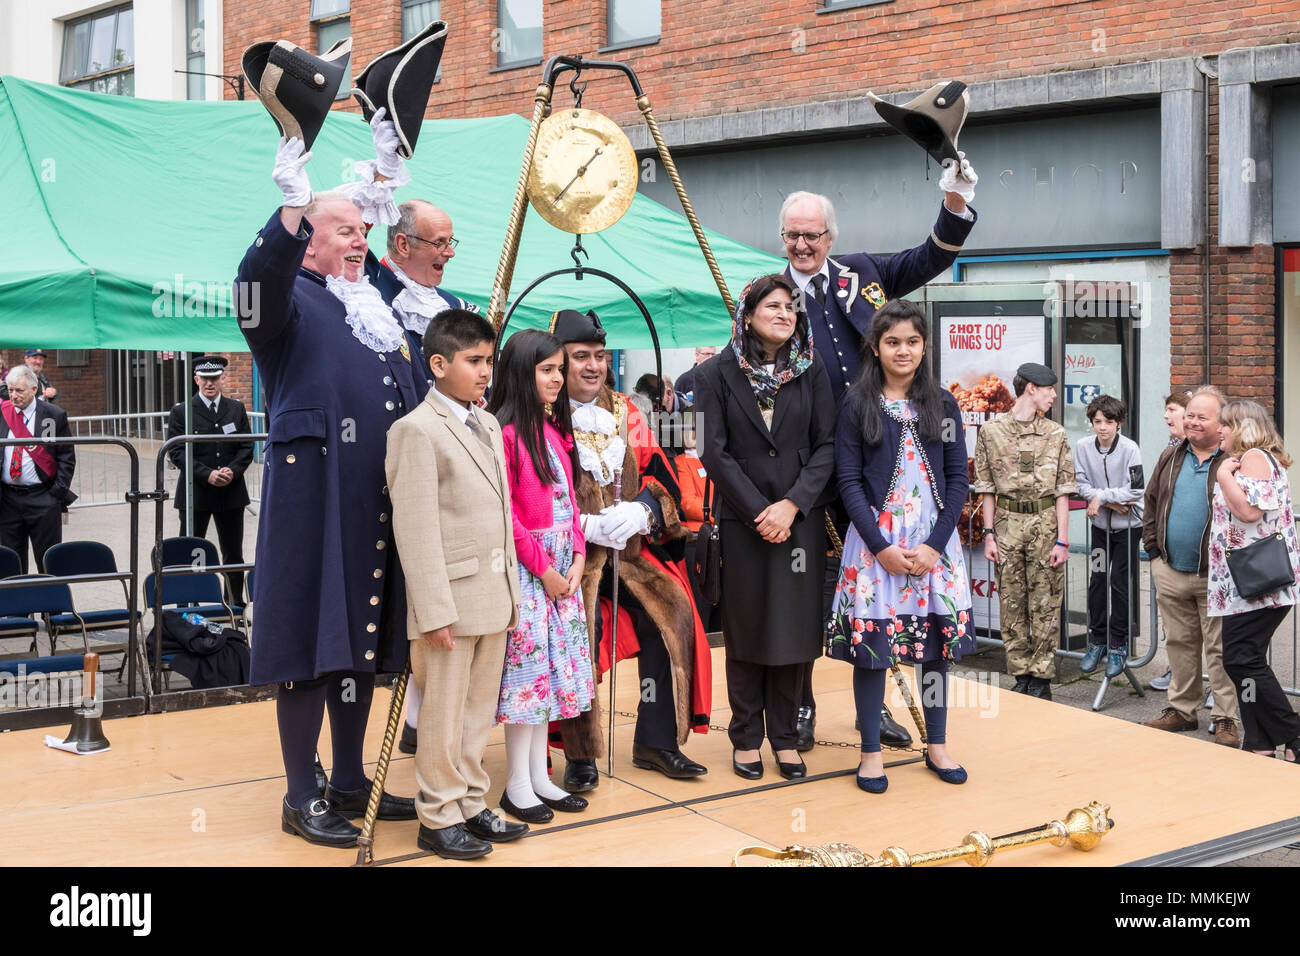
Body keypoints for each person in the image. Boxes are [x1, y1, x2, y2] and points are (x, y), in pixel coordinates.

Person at [233, 130, 422, 849]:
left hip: (374, 504)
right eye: (344, 229)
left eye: (363, 230)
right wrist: (290, 206)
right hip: (316, 503)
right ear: (306, 242)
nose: (360, 239)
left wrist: (381, 173)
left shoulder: (369, 306)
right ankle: (300, 792)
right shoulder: (286, 304)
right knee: (311, 645)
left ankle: (348, 778)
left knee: (359, 644)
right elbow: (252, 287)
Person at [781, 160, 977, 750]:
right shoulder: (771, 297)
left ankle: (879, 715)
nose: (803, 244)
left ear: (830, 237)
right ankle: (801, 705)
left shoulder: (861, 272)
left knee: (889, 598)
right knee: (810, 590)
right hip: (813, 464)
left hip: (881, 458)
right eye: (793, 234)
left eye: (813, 234)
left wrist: (956, 198)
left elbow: (929, 256)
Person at [386, 309, 528, 860]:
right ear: (439, 363)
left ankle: (470, 801)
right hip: (449, 600)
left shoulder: (487, 422)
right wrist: (433, 609)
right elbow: (415, 528)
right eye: (474, 361)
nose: (485, 372)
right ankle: (437, 815)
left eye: (489, 361)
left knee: (474, 714)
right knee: (442, 717)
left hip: (494, 594)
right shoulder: (415, 430)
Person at [551, 308, 712, 790]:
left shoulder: (627, 411)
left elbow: (661, 473)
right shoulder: (541, 411)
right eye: (580, 357)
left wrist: (642, 511)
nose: (593, 366)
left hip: (629, 552)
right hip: (568, 559)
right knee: (582, 626)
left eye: (599, 356)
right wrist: (581, 525)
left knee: (671, 610)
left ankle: (656, 741)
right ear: (558, 361)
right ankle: (580, 752)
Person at [825, 299, 975, 793]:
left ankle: (937, 744)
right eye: (893, 342)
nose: (903, 350)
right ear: (875, 346)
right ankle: (871, 753)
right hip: (875, 544)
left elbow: (957, 479)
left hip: (935, 544)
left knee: (934, 648)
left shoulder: (943, 403)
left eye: (912, 341)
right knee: (873, 650)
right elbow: (847, 481)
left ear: (925, 346)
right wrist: (880, 546)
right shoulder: (857, 403)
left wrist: (935, 545)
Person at [694, 274, 835, 780]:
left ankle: (786, 737)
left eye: (790, 307)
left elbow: (827, 446)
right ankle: (746, 737)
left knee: (796, 632)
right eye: (772, 306)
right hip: (744, 520)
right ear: (748, 313)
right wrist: (760, 510)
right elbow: (714, 451)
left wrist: (792, 505)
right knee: (748, 629)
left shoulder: (811, 368)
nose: (784, 314)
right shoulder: (715, 374)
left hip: (800, 520)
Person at [487, 329, 594, 822]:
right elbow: (507, 515)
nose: (558, 377)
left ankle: (539, 778)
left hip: (558, 574)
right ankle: (516, 784)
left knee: (548, 680)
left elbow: (571, 506)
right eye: (547, 369)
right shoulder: (505, 434)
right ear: (521, 373)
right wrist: (546, 568)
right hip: (530, 576)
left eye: (559, 368)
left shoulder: (553, 432)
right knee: (526, 683)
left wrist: (575, 558)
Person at [1141, 386, 1240, 747]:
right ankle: (1182, 710)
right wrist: (1153, 552)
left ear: (1222, 422)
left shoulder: (1234, 460)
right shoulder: (1171, 456)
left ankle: (1226, 717)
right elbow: (1151, 501)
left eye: (1202, 416)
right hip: (1170, 569)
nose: (1192, 422)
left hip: (1216, 575)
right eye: (1190, 415)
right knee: (1179, 643)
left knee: (1220, 648)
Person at [972, 362, 1077, 700]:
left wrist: (1062, 538)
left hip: (1045, 522)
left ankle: (1042, 676)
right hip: (1006, 524)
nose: (1054, 395)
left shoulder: (1056, 434)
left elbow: (1063, 490)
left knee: (1046, 602)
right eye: (1049, 389)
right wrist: (988, 533)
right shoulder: (991, 432)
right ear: (1031, 388)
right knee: (1011, 601)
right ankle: (1019, 672)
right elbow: (986, 486)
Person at [1208, 400, 1300, 759]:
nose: (1221, 432)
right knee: (1242, 659)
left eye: (1226, 426)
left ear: (1243, 428)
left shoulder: (1255, 459)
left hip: (1259, 583)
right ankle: (1260, 741)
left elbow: (1247, 512)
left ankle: (1292, 731)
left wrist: (1222, 477)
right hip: (1242, 582)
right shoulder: (1246, 462)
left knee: (1240, 658)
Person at [165, 355, 254, 602]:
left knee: (233, 553)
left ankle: (235, 605)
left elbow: (246, 447)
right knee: (190, 551)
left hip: (231, 492)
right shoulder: (182, 411)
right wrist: (207, 474)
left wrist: (231, 471)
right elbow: (176, 451)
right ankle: (186, 603)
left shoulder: (235, 409)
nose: (209, 383)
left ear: (222, 379)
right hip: (197, 493)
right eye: (204, 378)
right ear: (196, 379)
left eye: (214, 378)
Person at [1074, 395, 1144, 681]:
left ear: (1119, 423)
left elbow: (1136, 491)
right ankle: (1098, 639)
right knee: (1098, 580)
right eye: (1097, 422)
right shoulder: (1082, 447)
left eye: (1109, 422)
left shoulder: (1130, 449)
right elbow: (1080, 483)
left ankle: (1118, 644)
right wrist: (1105, 502)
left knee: (1120, 583)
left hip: (1128, 528)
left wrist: (1101, 496)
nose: (1102, 428)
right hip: (1101, 527)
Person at [0, 365, 76, 573]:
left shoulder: (52, 415)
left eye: (19, 391)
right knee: (10, 561)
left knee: (48, 560)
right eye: (10, 390)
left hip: (42, 497)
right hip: (8, 500)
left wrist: (56, 494)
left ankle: (51, 604)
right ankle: (16, 604)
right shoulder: (2, 413)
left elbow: (65, 457)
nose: (13, 396)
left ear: (35, 389)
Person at [1151, 394, 1192, 692]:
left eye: (1172, 410)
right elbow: (1152, 498)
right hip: (1168, 560)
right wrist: (1153, 551)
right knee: (1175, 629)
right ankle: (1175, 674)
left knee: (1210, 631)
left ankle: (1215, 688)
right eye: (1165, 410)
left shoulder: (1213, 452)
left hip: (1202, 562)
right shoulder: (1169, 449)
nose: (1166, 416)